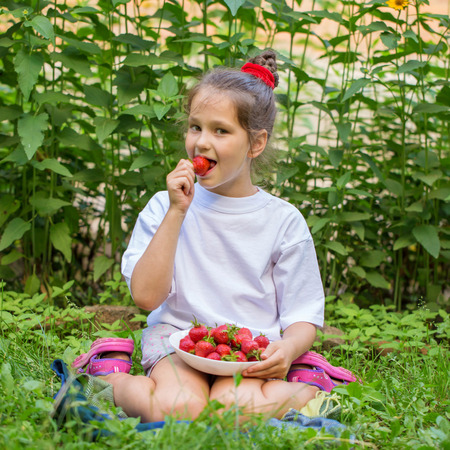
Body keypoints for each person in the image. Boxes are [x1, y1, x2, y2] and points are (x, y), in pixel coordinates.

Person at [73, 50, 358, 423]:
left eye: (220, 131)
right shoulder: (165, 206)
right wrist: (177, 212)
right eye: (195, 127)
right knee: (179, 409)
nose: (201, 143)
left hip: (250, 347)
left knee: (232, 412)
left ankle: (308, 381)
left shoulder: (283, 221)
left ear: (255, 143)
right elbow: (145, 296)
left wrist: (287, 349)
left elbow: (302, 313)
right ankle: (108, 373)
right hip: (177, 340)